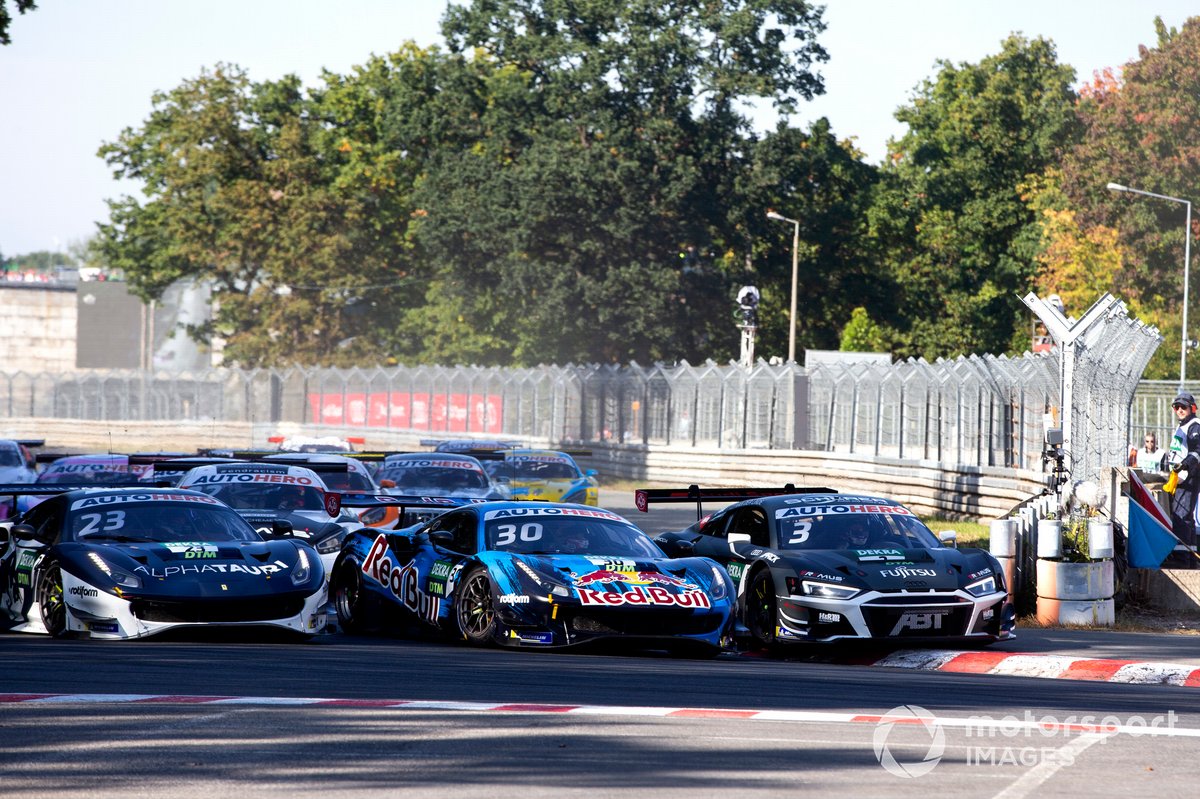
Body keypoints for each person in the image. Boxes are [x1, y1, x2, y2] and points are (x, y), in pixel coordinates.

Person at [1167, 392, 1200, 566]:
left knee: (1181, 518)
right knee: (1186, 519)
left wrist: (1185, 465)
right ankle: (1191, 560)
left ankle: (1181, 561)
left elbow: (1197, 451)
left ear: (1192, 408)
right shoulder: (1184, 426)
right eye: (1176, 407)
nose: (1179, 410)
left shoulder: (1195, 426)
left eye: (1183, 407)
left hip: (1189, 479)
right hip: (1180, 479)